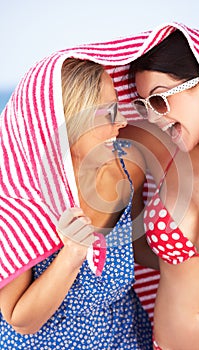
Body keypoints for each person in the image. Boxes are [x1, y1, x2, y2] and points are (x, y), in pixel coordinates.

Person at [0, 56, 153, 349]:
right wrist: (72, 254)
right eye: (108, 113)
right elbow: (21, 320)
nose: (121, 122)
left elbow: (137, 247)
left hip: (126, 339)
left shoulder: (127, 169)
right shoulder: (19, 199)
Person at [119, 25, 199, 350]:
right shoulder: (160, 154)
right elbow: (68, 126)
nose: (154, 117)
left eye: (159, 99)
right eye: (144, 105)